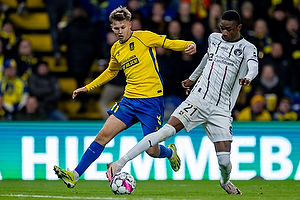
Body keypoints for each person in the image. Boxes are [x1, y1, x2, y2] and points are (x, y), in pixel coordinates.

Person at [106, 10, 258, 195]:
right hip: (197, 100)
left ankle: (225, 181)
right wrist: (192, 78)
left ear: (239, 28)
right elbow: (206, 59)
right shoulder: (214, 38)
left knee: (224, 162)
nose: (224, 33)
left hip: (221, 109)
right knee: (163, 133)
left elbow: (254, 66)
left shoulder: (247, 48)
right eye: (222, 28)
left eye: (229, 29)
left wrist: (248, 77)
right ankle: (119, 163)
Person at [53, 6, 196, 188]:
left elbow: (167, 43)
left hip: (151, 102)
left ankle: (169, 153)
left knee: (152, 151)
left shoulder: (143, 37)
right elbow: (110, 72)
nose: (119, 31)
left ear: (130, 25)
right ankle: (74, 175)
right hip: (129, 101)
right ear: (111, 28)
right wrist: (87, 87)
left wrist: (188, 44)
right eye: (115, 28)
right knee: (102, 136)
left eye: (122, 27)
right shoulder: (116, 50)